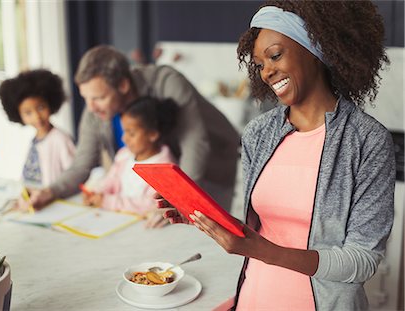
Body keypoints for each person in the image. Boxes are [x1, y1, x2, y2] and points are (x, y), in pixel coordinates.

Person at [157, 1, 395, 310]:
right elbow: (256, 230)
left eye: (275, 55)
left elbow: (362, 261)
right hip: (255, 297)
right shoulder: (259, 133)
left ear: (316, 47)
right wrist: (203, 217)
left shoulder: (367, 141)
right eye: (259, 64)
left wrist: (262, 250)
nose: (267, 71)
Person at [25, 45, 240, 212]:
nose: (90, 108)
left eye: (99, 98)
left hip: (213, 162)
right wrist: (49, 192)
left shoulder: (166, 82)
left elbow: (195, 145)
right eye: (86, 98)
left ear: (123, 86)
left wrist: (178, 201)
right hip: (164, 187)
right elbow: (82, 164)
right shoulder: (95, 109)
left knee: (208, 234)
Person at [82, 96, 178, 228]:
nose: (124, 138)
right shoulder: (124, 155)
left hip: (142, 227)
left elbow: (150, 204)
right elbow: (111, 180)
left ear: (153, 134)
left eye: (131, 133)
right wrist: (98, 193)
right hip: (116, 220)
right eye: (124, 131)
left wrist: (108, 201)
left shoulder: (166, 167)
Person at [0, 69, 76, 187]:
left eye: (40, 108)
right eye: (28, 113)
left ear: (50, 104)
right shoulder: (35, 140)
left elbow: (74, 173)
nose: (36, 117)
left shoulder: (61, 139)